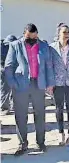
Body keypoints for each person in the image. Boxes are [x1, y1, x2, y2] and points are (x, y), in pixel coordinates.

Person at [5, 23, 55, 155]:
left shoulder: (43, 46)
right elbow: (9, 66)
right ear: (24, 34)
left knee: (40, 115)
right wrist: (13, 84)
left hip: (38, 85)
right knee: (21, 116)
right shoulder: (15, 46)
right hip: (21, 86)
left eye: (34, 38)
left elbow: (48, 66)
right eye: (29, 38)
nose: (32, 40)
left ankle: (41, 142)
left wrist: (50, 84)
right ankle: (23, 144)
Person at [1, 35, 17, 116]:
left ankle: (10, 107)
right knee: (6, 89)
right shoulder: (4, 48)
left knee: (9, 89)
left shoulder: (5, 46)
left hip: (10, 70)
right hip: (5, 70)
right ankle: (5, 108)